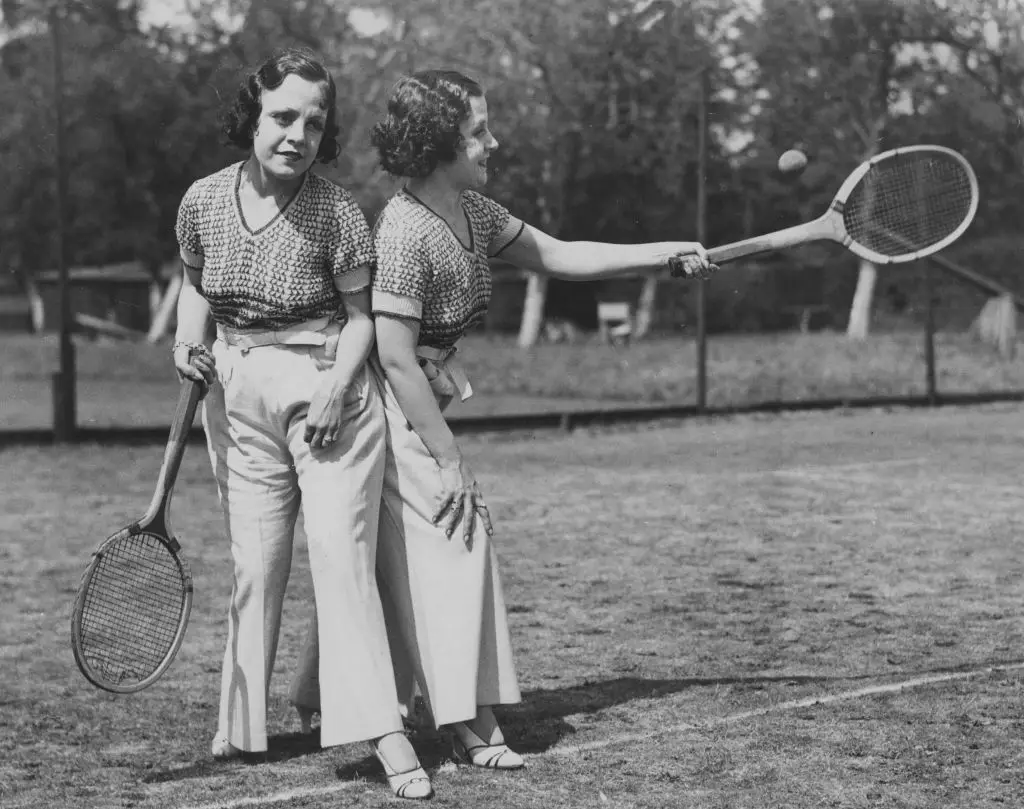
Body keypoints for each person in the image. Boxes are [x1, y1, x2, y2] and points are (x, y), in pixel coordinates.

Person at [289, 69, 716, 786]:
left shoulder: (474, 212)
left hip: (416, 400)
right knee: (461, 539)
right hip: (382, 410)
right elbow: (395, 359)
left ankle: (362, 700)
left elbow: (560, 254)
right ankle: (468, 720)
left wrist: (664, 252)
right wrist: (450, 459)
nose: (494, 141)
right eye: (478, 131)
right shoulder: (403, 230)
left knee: (406, 560)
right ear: (438, 144)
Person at [172, 49, 431, 800]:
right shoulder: (202, 200)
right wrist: (187, 345)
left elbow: (362, 319)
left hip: (328, 393)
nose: (297, 136)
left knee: (340, 561)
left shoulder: (337, 210)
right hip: (237, 392)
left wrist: (336, 388)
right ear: (251, 117)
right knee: (256, 566)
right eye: (283, 117)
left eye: (314, 124)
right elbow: (195, 286)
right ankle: (241, 722)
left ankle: (384, 730)